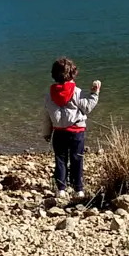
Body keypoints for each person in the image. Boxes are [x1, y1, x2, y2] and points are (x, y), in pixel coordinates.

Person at [42, 57, 101, 199]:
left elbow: (46, 115)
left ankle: (61, 189)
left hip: (58, 132)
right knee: (77, 159)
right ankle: (78, 190)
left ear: (54, 74)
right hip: (76, 132)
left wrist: (47, 133)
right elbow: (87, 107)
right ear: (73, 73)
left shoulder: (50, 94)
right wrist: (95, 94)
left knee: (60, 160)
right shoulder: (76, 92)